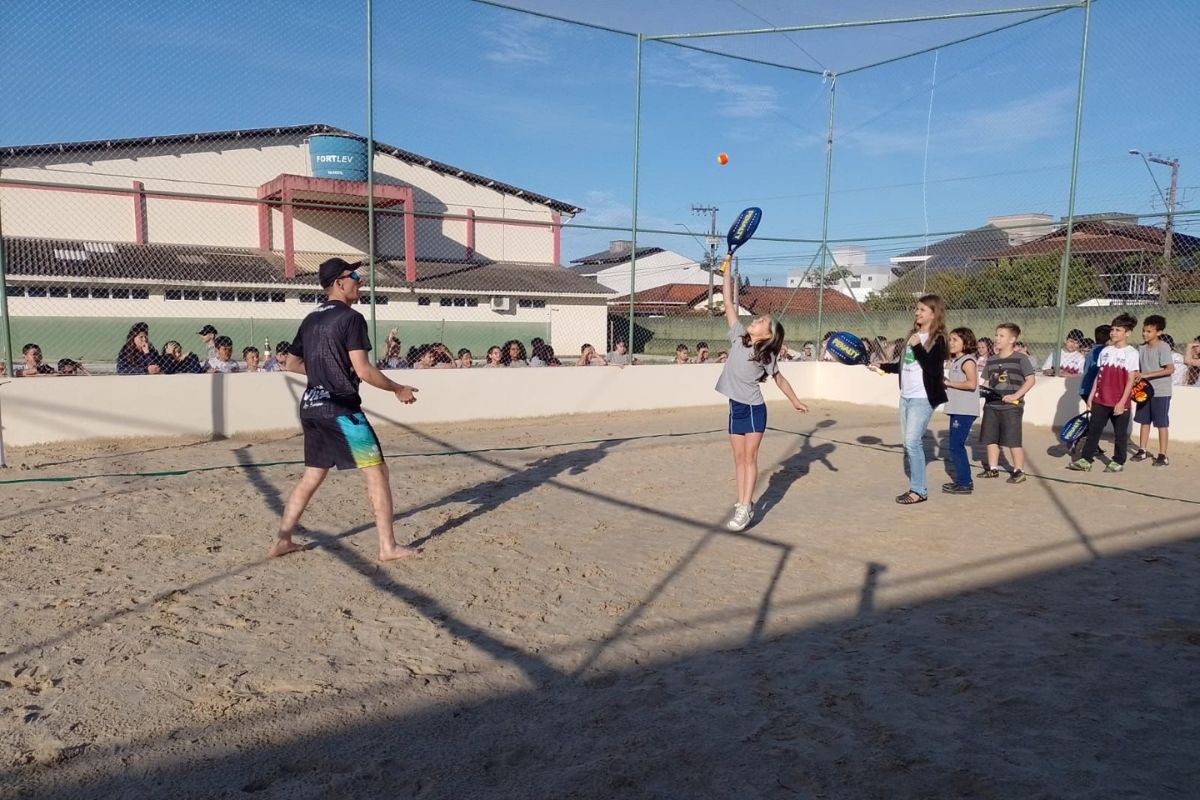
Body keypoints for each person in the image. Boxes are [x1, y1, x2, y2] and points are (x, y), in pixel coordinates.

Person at [271, 257, 420, 561]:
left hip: (311, 407)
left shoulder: (311, 318)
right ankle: (387, 546)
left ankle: (282, 540)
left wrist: (325, 370)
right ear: (339, 283)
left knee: (312, 475)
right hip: (341, 410)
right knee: (376, 471)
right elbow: (364, 371)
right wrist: (397, 389)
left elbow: (291, 363)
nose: (360, 280)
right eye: (354, 275)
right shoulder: (351, 318)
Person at [714, 261, 809, 532]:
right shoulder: (738, 337)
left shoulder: (766, 355)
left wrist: (794, 400)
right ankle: (742, 502)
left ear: (768, 335)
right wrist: (727, 273)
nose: (755, 320)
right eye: (757, 319)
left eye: (761, 321)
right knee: (737, 459)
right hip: (736, 407)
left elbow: (779, 378)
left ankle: (745, 506)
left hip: (755, 410)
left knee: (750, 458)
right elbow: (730, 305)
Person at [876, 295, 950, 504]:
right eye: (917, 309)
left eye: (922, 310)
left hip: (923, 397)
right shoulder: (913, 335)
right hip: (906, 397)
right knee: (909, 444)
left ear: (934, 314)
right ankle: (918, 488)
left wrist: (918, 346)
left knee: (912, 442)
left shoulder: (939, 339)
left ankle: (919, 490)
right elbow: (904, 365)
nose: (917, 313)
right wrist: (882, 367)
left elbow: (934, 370)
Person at [1069, 313, 1139, 473]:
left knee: (1120, 434)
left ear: (1127, 333)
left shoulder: (1132, 353)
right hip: (1101, 399)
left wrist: (1122, 402)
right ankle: (1086, 460)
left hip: (1119, 401)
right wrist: (1093, 394)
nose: (1113, 333)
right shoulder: (1105, 351)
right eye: (1112, 329)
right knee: (1094, 431)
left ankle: (1118, 461)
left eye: (1118, 330)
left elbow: (1130, 380)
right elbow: (1098, 376)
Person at [978, 322, 1036, 483]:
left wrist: (1016, 396)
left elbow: (1030, 380)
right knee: (990, 438)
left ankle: (1019, 470)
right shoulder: (992, 360)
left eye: (1001, 336)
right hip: (992, 405)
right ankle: (993, 468)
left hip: (1011, 407)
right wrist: (981, 391)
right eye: (996, 335)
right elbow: (987, 382)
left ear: (1012, 339)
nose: (997, 338)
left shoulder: (1021, 359)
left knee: (1013, 439)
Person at [1130, 314, 1174, 466]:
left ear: (1159, 332)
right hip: (1144, 391)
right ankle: (1142, 450)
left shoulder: (1164, 347)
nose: (1145, 334)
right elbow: (1138, 369)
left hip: (1161, 391)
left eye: (1149, 331)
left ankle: (1163, 455)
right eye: (1144, 331)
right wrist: (1137, 375)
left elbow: (1169, 369)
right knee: (1144, 421)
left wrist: (1147, 375)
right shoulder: (1141, 348)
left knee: (1161, 423)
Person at [941, 327, 979, 495]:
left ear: (967, 342)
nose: (951, 343)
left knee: (956, 446)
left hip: (965, 410)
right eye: (950, 340)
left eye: (955, 340)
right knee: (955, 445)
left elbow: (971, 384)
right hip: (957, 408)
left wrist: (948, 384)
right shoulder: (956, 361)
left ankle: (965, 482)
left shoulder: (968, 361)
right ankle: (963, 481)